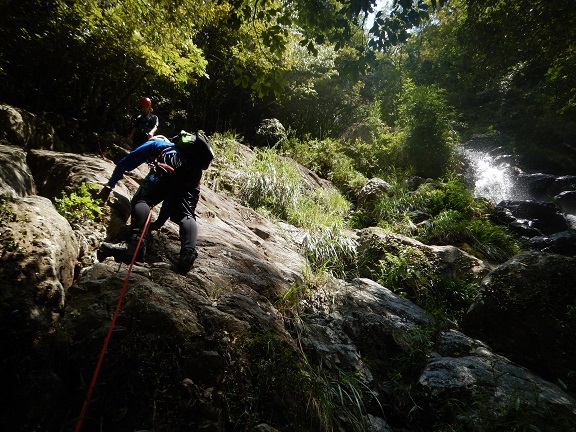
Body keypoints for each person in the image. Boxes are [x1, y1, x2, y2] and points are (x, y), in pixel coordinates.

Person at [97, 136, 201, 274]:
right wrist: (158, 223)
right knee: (186, 215)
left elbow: (126, 163)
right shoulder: (190, 156)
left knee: (142, 200)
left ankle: (135, 245)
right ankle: (187, 256)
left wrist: (111, 183)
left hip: (169, 164)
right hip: (193, 175)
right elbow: (171, 194)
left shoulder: (156, 143)